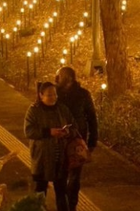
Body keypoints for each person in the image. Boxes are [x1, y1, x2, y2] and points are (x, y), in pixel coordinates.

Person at [24, 81, 74, 211]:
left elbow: (73, 125)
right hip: (42, 157)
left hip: (61, 157)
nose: (53, 98)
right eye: (49, 95)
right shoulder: (34, 111)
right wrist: (49, 132)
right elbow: (29, 131)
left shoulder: (62, 109)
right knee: (40, 191)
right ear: (41, 95)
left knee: (61, 191)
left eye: (55, 95)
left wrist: (68, 132)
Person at [55, 66, 98, 210]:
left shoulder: (82, 95)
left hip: (76, 140)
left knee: (72, 175)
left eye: (59, 77)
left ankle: (69, 205)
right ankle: (67, 205)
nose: (57, 79)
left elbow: (91, 118)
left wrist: (92, 141)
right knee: (64, 176)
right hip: (61, 140)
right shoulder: (54, 94)